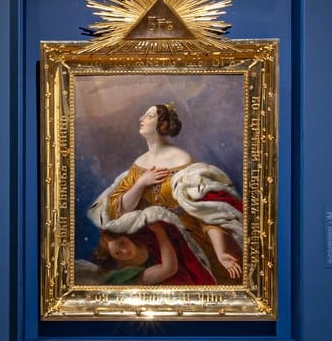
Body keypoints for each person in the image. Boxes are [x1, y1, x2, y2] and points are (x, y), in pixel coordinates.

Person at [86, 103, 245, 284]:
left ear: (162, 125)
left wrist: (221, 251)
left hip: (192, 242)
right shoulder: (139, 164)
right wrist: (141, 183)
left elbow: (207, 212)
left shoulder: (181, 160)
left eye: (149, 116)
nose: (141, 119)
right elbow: (119, 211)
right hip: (160, 244)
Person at [92, 227, 182, 285]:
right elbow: (169, 268)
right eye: (117, 253)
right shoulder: (129, 275)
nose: (125, 251)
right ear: (114, 258)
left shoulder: (144, 237)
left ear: (127, 237)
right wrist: (159, 231)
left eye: (123, 243)